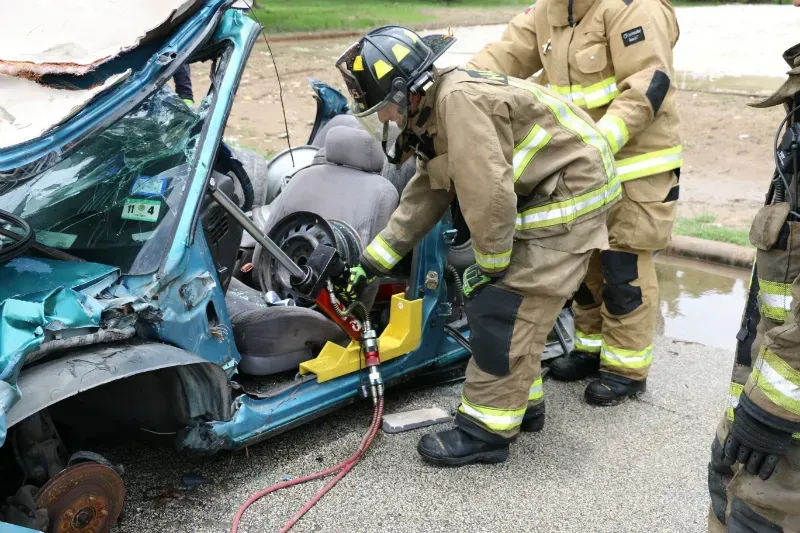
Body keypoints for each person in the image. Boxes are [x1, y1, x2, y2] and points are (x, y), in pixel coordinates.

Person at [337, 25, 618, 466]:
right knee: (509, 304)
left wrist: (490, 265)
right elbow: (428, 191)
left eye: (385, 109)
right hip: (547, 191)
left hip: (568, 198)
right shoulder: (437, 107)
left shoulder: (456, 103)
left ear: (405, 90)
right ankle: (522, 404)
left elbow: (488, 193)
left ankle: (485, 430)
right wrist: (375, 261)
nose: (386, 120)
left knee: (505, 306)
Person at [467, 0, 681, 405]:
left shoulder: (636, 8)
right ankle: (589, 345)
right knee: (581, 260)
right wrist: (456, 84)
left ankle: (625, 368)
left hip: (636, 164)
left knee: (624, 266)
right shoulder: (549, 10)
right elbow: (502, 56)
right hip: (582, 165)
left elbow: (649, 84)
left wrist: (599, 143)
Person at [706, 39, 800, 533]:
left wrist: (769, 411)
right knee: (730, 491)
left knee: (758, 514)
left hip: (787, 410)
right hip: (771, 380)